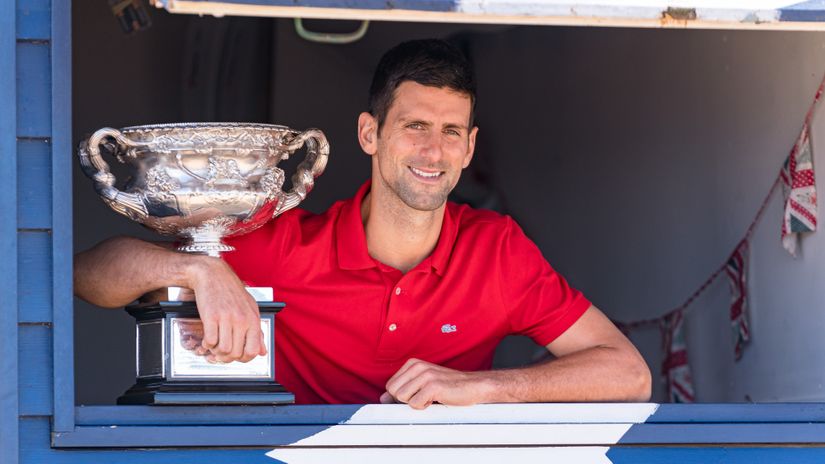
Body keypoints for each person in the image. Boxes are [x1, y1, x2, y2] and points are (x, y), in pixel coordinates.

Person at [75, 39, 651, 408]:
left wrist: (485, 387)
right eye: (415, 126)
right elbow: (89, 275)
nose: (434, 150)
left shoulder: (496, 249)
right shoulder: (287, 244)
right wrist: (200, 270)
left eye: (452, 132)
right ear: (369, 134)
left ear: (471, 148)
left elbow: (628, 374)